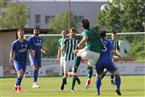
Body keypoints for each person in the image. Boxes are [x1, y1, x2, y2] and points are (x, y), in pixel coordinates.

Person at [73, 19, 102, 89]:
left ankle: (74, 71)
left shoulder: (85, 32)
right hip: (97, 53)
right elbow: (101, 41)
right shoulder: (95, 31)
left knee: (77, 53)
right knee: (89, 67)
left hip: (89, 51)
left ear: (82, 26)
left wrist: (79, 44)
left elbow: (85, 38)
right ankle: (88, 78)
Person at [95, 29, 122, 95]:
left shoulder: (96, 42)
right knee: (117, 74)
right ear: (105, 35)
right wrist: (119, 56)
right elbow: (113, 51)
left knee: (98, 77)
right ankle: (117, 88)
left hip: (99, 62)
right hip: (108, 61)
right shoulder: (108, 42)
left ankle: (98, 91)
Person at [9, 28, 35, 93]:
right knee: (20, 73)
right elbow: (12, 51)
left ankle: (15, 86)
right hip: (17, 61)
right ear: (17, 34)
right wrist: (11, 58)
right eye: (20, 33)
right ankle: (18, 88)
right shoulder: (15, 43)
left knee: (21, 75)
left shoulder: (27, 42)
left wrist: (32, 52)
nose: (22, 34)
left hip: (24, 61)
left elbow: (30, 49)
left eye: (23, 33)